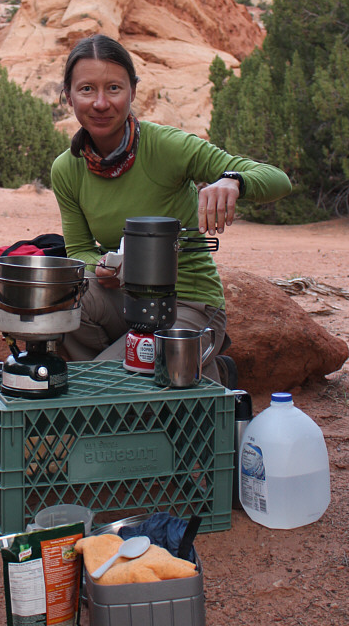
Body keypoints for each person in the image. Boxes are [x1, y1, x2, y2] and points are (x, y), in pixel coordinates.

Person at [51, 34, 292, 382]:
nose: (100, 103)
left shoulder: (167, 146)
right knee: (66, 297)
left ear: (133, 91)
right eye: (86, 89)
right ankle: (174, 372)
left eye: (114, 88)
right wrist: (103, 265)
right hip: (124, 300)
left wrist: (233, 180)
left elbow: (277, 180)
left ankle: (173, 368)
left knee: (109, 382)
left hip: (188, 301)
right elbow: (78, 250)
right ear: (69, 95)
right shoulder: (67, 168)